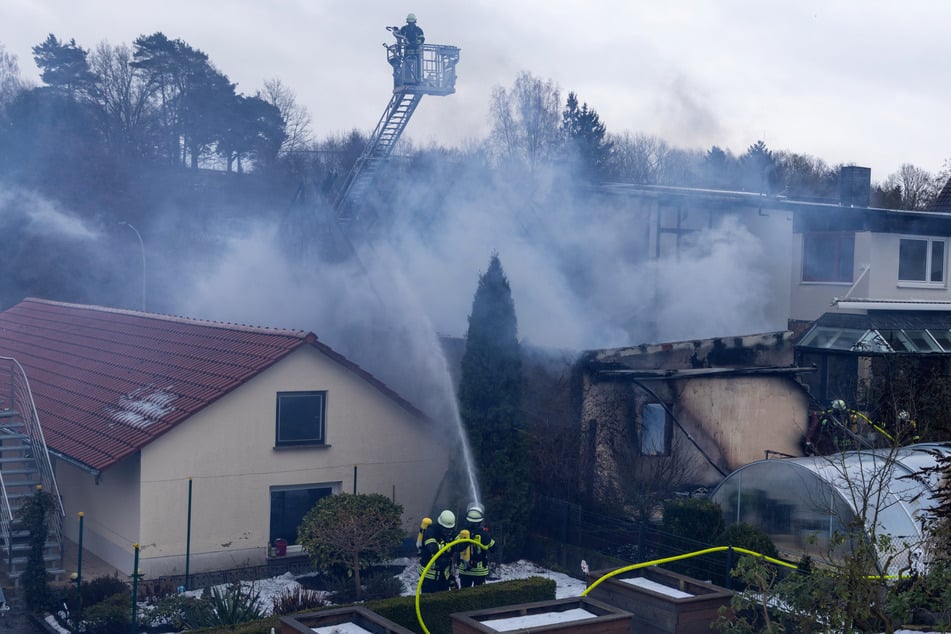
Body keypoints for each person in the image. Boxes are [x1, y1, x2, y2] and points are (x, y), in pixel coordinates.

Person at [457, 503, 497, 588]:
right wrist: (488, 535)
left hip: (464, 570)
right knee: (478, 593)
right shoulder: (484, 535)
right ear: (480, 522)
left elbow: (454, 547)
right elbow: (493, 548)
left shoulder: (462, 533)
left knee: (464, 592)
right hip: (480, 571)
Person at [419, 509, 457, 593]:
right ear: (440, 525)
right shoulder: (431, 531)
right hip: (429, 576)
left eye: (450, 529)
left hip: (444, 576)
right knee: (429, 599)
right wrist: (449, 546)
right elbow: (432, 548)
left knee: (443, 599)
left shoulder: (452, 533)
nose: (448, 532)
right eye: (445, 529)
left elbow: (459, 545)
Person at [397, 13, 425, 82]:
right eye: (410, 23)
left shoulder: (418, 30)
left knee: (418, 67)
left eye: (412, 23)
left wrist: (415, 43)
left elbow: (422, 39)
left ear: (415, 22)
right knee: (407, 67)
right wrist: (396, 30)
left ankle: (418, 79)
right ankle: (407, 79)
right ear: (407, 22)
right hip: (407, 52)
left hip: (416, 52)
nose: (411, 24)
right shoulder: (404, 29)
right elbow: (399, 36)